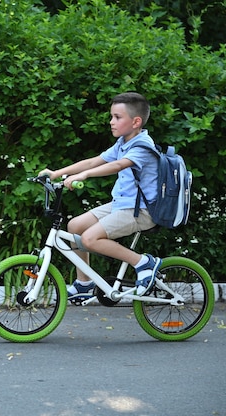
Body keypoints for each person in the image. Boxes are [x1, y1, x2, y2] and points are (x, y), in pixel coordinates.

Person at [39, 92, 161, 299]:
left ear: (136, 121)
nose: (111, 122)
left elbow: (118, 165)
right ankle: (84, 284)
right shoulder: (123, 142)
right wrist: (57, 173)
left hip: (140, 210)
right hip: (122, 204)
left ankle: (143, 262)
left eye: (117, 117)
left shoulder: (143, 146)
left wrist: (84, 175)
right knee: (75, 226)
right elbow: (94, 161)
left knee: (89, 239)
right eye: (112, 116)